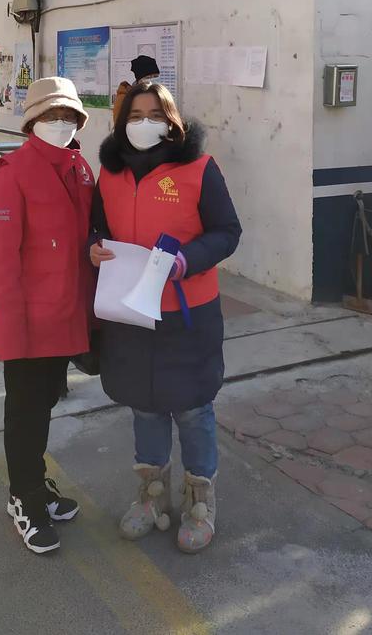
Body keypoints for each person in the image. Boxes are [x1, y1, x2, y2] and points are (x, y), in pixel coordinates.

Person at [90, 82, 241, 553]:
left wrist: (186, 261)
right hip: (130, 311)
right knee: (145, 404)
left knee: (193, 407)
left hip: (187, 314)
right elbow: (97, 228)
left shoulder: (199, 168)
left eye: (155, 114)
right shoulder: (110, 172)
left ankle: (200, 501)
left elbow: (227, 232)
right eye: (135, 115)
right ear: (123, 123)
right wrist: (93, 247)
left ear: (172, 120)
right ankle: (151, 495)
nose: (144, 123)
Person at [0, 77, 95, 555]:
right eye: (52, 115)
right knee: (24, 411)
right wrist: (10, 328)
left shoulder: (79, 168)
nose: (61, 123)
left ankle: (36, 482)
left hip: (65, 316)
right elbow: (1, 263)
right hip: (28, 322)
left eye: (69, 116)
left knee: (45, 403)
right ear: (32, 121)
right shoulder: (10, 174)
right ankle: (22, 497)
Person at [112, 54, 160, 123]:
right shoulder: (124, 97)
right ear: (139, 79)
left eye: (155, 77)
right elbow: (119, 123)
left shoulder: (158, 95)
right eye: (148, 77)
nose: (152, 80)